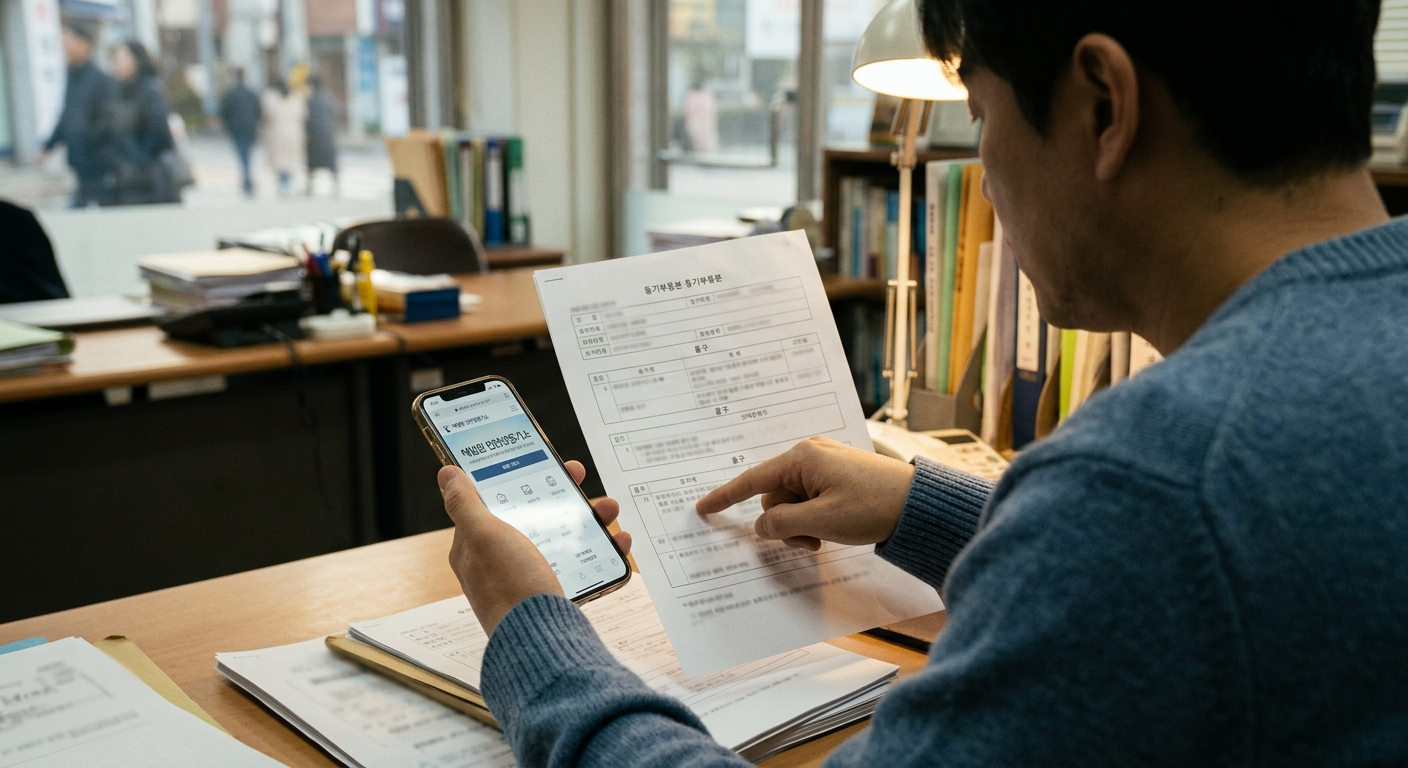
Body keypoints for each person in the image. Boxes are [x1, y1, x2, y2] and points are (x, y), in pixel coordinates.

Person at [435, 0, 1408, 765]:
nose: (979, 168)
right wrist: (926, 507)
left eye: (978, 113)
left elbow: (1157, 541)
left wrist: (535, 636)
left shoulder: (1150, 482)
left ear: (1102, 104)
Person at [43, 20, 116, 207]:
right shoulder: (72, 76)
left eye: (68, 41)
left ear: (85, 44)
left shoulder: (102, 80)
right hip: (79, 164)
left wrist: (88, 140)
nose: (64, 47)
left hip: (100, 167)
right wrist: (48, 145)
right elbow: (66, 115)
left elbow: (109, 123)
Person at [102, 41, 179, 205]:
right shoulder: (118, 91)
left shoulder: (149, 90)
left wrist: (139, 159)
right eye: (114, 59)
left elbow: (159, 134)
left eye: (121, 58)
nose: (116, 64)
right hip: (127, 178)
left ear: (136, 60)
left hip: (148, 179)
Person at [219, 68, 262, 197]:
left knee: (242, 155)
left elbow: (224, 112)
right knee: (247, 154)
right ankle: (247, 179)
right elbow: (258, 110)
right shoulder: (251, 93)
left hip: (236, 129)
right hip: (249, 128)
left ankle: (247, 179)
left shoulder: (230, 94)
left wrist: (228, 126)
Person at [261, 78, 305, 195]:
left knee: (280, 160)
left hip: (277, 134)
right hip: (294, 133)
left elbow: (267, 118)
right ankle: (289, 181)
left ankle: (284, 183)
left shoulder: (272, 99)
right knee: (291, 159)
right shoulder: (296, 98)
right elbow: (302, 117)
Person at [304, 75, 339, 195]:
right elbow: (333, 116)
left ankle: (310, 187)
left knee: (312, 163)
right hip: (327, 134)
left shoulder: (310, 100)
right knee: (331, 162)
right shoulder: (328, 98)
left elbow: (306, 119)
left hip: (314, 135)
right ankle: (336, 186)